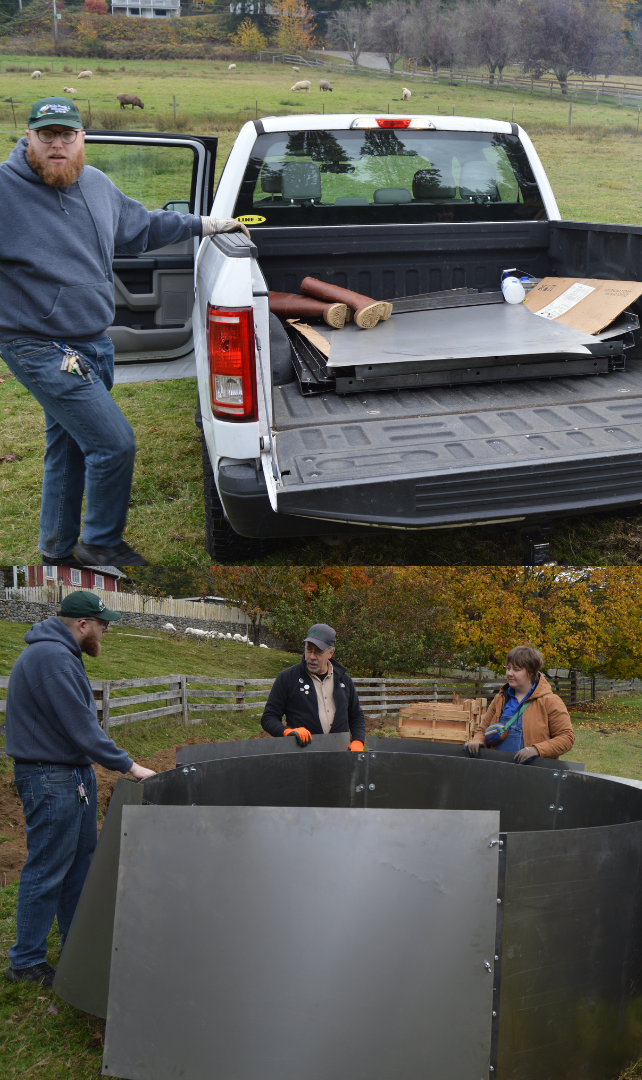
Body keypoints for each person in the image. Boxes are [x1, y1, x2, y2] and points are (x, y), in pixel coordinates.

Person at [1, 97, 253, 567]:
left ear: (82, 139)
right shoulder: (4, 190)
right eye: (46, 135)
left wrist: (205, 224)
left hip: (93, 342)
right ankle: (100, 542)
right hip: (38, 344)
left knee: (70, 444)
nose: (57, 144)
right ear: (29, 137)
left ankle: (56, 550)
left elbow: (143, 227)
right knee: (113, 444)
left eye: (66, 135)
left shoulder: (95, 184)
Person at [5, 591, 156, 987]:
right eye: (102, 623)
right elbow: (83, 729)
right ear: (82, 624)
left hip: (69, 777)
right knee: (48, 867)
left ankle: (76, 942)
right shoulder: (52, 659)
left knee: (78, 865)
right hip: (50, 776)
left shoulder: (60, 655)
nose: (106, 630)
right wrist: (132, 767)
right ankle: (26, 962)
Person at [259, 623, 367, 751]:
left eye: (318, 652)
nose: (311, 657)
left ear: (331, 652)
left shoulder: (344, 680)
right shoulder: (287, 678)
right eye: (309, 650)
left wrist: (358, 741)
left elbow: (356, 715)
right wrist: (287, 731)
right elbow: (268, 718)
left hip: (339, 758)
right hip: (303, 756)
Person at [464, 645, 574, 762]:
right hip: (500, 769)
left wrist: (537, 750)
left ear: (531, 673)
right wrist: (477, 741)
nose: (509, 673)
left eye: (516, 670)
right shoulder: (500, 699)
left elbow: (567, 738)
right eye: (508, 668)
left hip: (535, 773)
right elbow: (483, 730)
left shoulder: (550, 701)